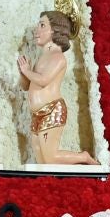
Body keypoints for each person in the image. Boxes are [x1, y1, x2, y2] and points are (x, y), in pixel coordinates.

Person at [17, 9, 99, 166]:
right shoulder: (40, 58)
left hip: (51, 110)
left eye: (42, 25)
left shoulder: (58, 57)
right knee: (41, 159)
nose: (37, 30)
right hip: (36, 114)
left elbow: (43, 80)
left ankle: (83, 157)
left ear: (55, 30)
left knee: (50, 157)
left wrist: (27, 71)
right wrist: (23, 72)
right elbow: (26, 86)